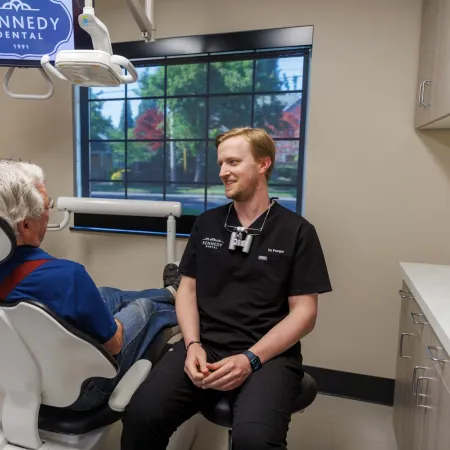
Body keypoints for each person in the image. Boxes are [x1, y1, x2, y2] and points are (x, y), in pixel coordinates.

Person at [121, 127, 332, 450]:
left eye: (233, 162)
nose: (223, 172)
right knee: (141, 416)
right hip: (205, 346)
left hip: (268, 355)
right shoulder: (207, 224)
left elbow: (304, 313)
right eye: (221, 164)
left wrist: (250, 358)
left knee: (254, 441)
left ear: (263, 164)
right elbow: (187, 291)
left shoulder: (297, 231)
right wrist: (192, 345)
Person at [0, 160, 179, 411]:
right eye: (46, 206)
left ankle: (171, 293)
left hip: (13, 381)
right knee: (144, 307)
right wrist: (114, 322)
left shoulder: (57, 278)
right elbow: (114, 344)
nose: (50, 210)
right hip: (79, 392)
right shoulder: (68, 275)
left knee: (106, 293)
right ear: (25, 225)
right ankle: (185, 304)